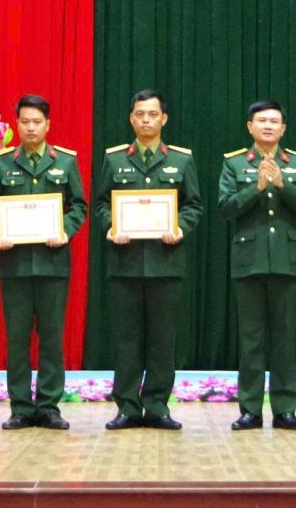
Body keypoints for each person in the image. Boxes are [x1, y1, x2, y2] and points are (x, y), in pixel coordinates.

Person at [93, 90, 202, 430]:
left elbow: (193, 205)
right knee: (127, 340)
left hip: (166, 262)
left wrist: (180, 227)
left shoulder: (181, 160)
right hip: (125, 262)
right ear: (131, 118)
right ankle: (127, 406)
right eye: (139, 114)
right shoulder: (114, 159)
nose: (145, 120)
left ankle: (156, 406)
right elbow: (101, 204)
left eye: (152, 114)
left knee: (162, 340)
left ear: (163, 119)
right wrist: (111, 226)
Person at [0, 94, 86, 430]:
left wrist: (64, 230)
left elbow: (79, 206)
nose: (30, 128)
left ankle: (49, 406)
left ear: (48, 125)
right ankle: (21, 408)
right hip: (14, 264)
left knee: (52, 339)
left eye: (37, 122)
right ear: (17, 124)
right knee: (17, 339)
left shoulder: (65, 162)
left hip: (53, 263)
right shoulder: (2, 163)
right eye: (25, 122)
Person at [218, 100, 296, 431]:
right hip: (249, 260)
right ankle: (250, 409)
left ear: (283, 128)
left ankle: (285, 409)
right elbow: (225, 207)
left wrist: (283, 184)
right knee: (251, 339)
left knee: (285, 339)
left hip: (288, 260)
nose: (268, 126)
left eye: (274, 121)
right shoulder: (234, 163)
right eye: (262, 121)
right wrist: (256, 188)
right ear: (250, 127)